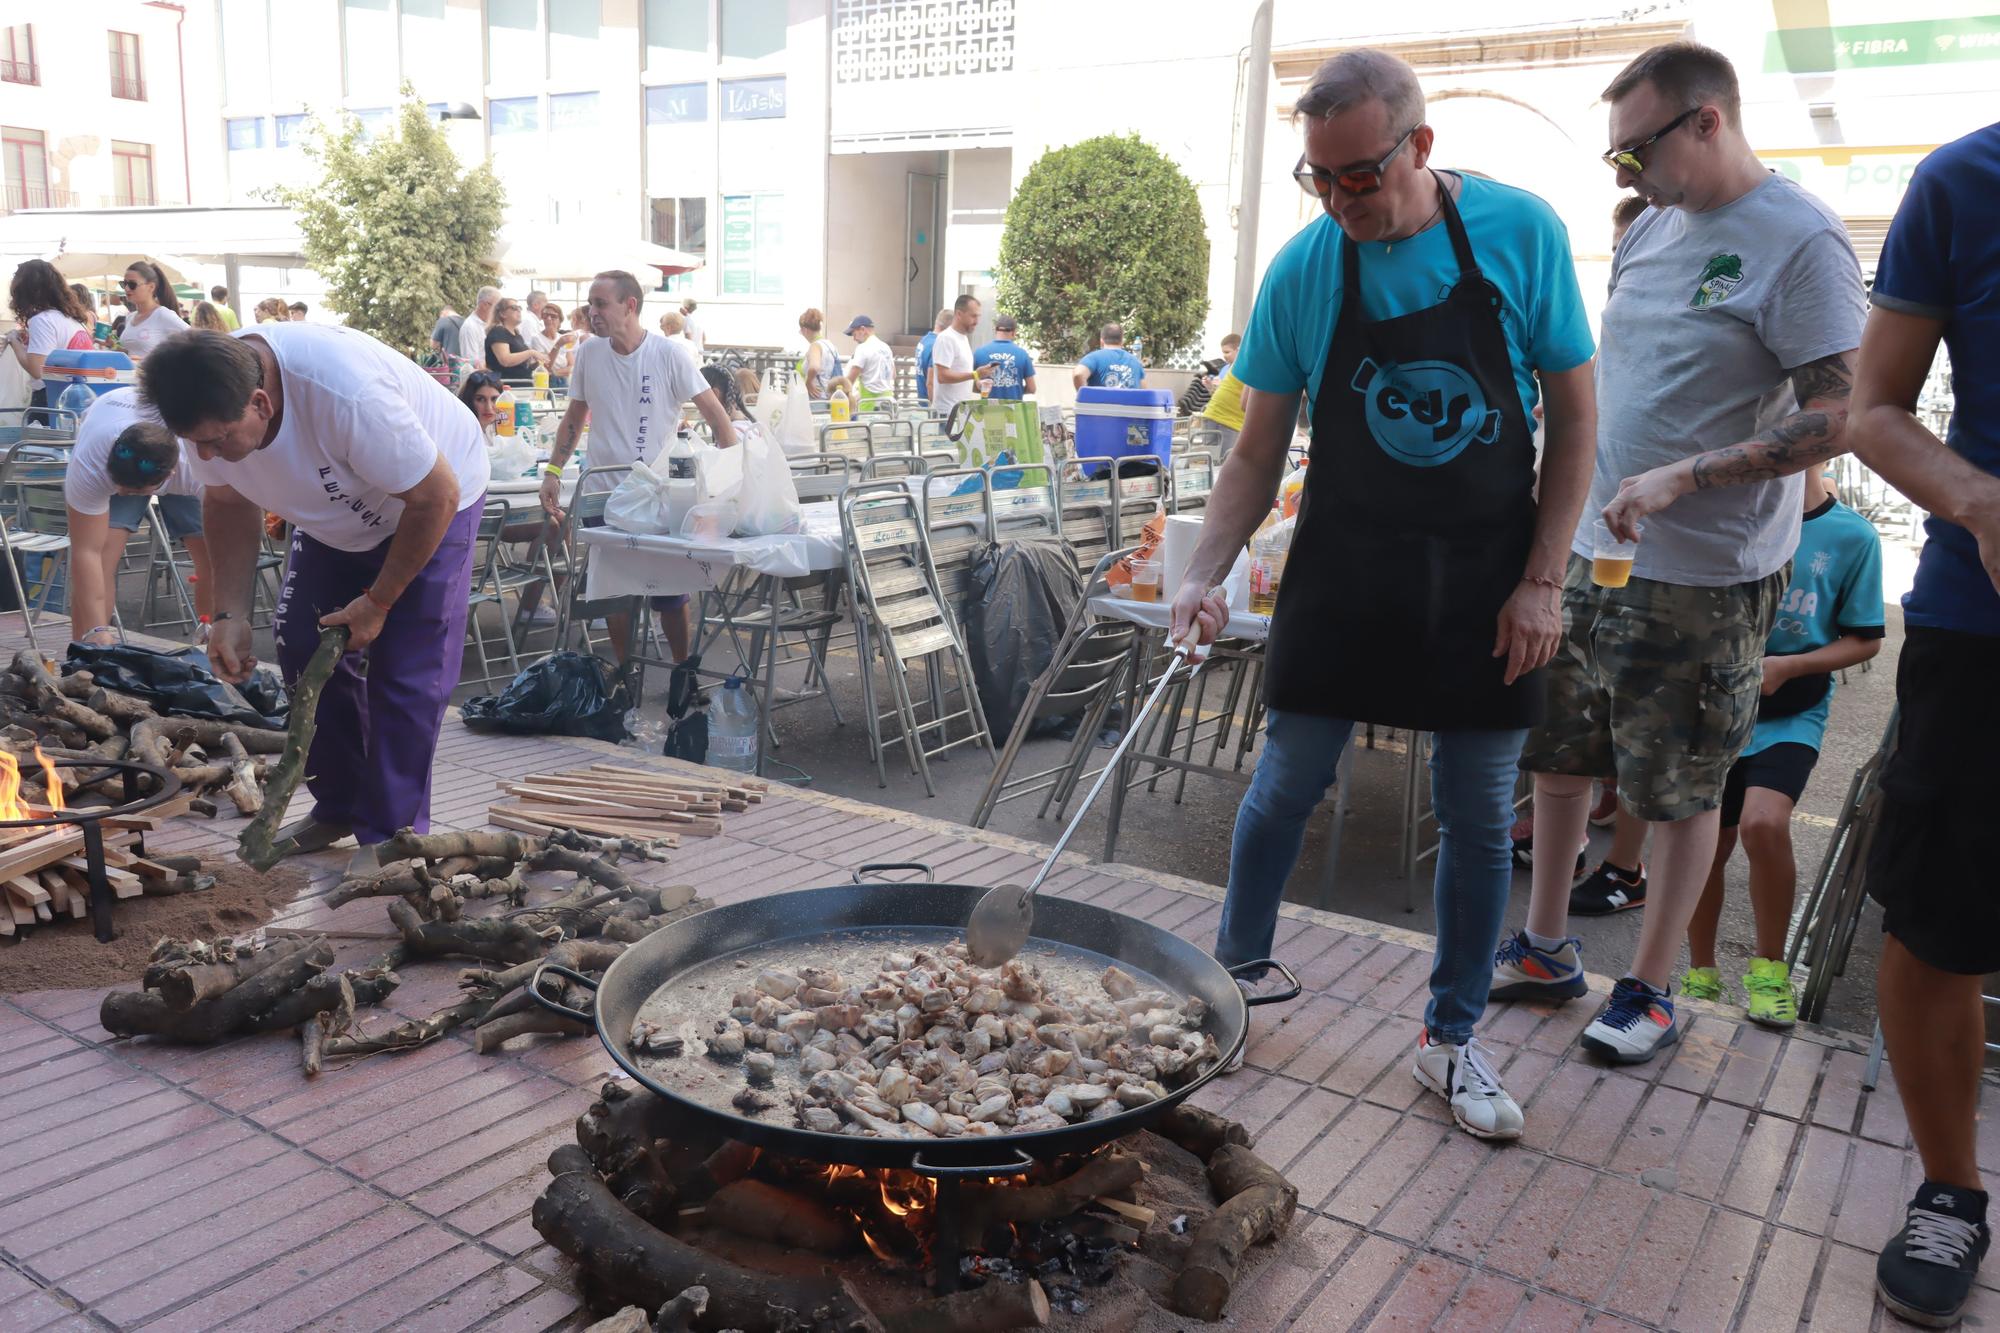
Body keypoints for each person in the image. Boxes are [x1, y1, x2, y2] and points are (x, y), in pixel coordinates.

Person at [1166, 48, 1597, 1140]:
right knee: (1283, 782)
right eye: (1319, 178)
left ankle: (1448, 1038)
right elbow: (1255, 454)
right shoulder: (1305, 266)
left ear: (1418, 146)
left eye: (1359, 174)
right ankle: (1232, 982)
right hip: (1346, 560)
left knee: (1470, 808)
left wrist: (1543, 579)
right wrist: (1201, 576)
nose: (1340, 199)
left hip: (1487, 569)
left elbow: (1576, 422)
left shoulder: (1520, 232)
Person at [1493, 41, 1866, 1066]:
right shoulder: (1651, 227)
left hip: (1705, 574)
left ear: (1706, 120)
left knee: (1678, 784)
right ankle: (1542, 947)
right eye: (1615, 158)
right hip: (1588, 552)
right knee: (1560, 759)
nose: (1624, 174)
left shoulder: (1800, 241)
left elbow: (1837, 418)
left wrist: (1685, 477)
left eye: (1635, 149)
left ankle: (1648, 989)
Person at [140, 324, 491, 877]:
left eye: (218, 440)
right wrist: (228, 613)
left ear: (261, 401)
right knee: (303, 646)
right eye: (195, 443)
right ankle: (341, 805)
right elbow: (228, 503)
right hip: (334, 519)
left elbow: (435, 494)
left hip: (431, 503)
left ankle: (393, 834)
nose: (206, 454)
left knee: (405, 670)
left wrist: (378, 602)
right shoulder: (210, 400)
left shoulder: (343, 395)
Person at [1844, 118, 2000, 1329]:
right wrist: (1973, 502)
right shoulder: (1961, 178)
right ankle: (1950, 1186)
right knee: (1938, 924)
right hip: (1978, 626)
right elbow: (1870, 407)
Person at [1682, 465, 1881, 1021]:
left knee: (1763, 823)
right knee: (1706, 843)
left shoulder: (1852, 536)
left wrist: (1791, 666)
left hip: (1791, 713)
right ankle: (1700, 973)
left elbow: (1865, 639)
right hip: (1713, 708)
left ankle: (1770, 972)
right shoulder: (1729, 519)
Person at [539, 270, 738, 666]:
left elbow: (718, 419)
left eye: (600, 304)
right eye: (589, 304)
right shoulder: (590, 353)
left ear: (630, 306)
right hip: (603, 492)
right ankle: (625, 671)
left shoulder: (669, 354)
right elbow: (575, 418)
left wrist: (732, 480)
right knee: (614, 589)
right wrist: (554, 471)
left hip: (657, 494)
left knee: (670, 592)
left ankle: (682, 669)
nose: (591, 312)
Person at [61, 387, 213, 644]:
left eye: (134, 491)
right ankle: (86, 652)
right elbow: (86, 553)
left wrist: (224, 624)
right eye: (121, 488)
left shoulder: (199, 465)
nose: (126, 494)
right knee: (101, 560)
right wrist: (96, 632)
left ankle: (212, 639)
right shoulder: (91, 463)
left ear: (170, 476)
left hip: (176, 457)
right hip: (112, 433)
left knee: (209, 557)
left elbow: (226, 555)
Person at [5, 259, 93, 406]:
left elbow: (37, 370)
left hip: (51, 398)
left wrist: (14, 341)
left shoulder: (42, 320)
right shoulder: (70, 318)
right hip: (78, 396)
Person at [115, 261, 188, 360]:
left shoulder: (163, 314)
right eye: (124, 284)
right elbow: (135, 351)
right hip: (132, 375)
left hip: (155, 375)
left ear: (151, 287)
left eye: (132, 284)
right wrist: (117, 349)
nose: (127, 288)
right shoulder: (130, 317)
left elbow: (197, 340)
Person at [930, 294, 990, 414]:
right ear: (959, 314)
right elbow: (942, 376)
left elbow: (959, 377)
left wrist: (977, 384)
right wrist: (975, 374)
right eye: (973, 316)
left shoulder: (963, 338)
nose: (977, 321)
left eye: (978, 316)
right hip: (947, 413)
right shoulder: (946, 338)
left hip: (961, 412)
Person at [484, 298, 546, 386]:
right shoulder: (498, 332)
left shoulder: (517, 334)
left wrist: (538, 363)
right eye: (514, 308)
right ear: (502, 313)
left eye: (519, 308)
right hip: (508, 386)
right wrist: (531, 353)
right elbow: (505, 360)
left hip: (523, 384)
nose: (518, 311)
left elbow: (522, 364)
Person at [974, 315, 1037, 401]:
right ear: (1014, 332)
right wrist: (1016, 390)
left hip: (987, 411)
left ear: (995, 330)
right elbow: (1032, 388)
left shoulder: (979, 353)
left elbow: (971, 385)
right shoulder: (1022, 354)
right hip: (1013, 411)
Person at [840, 315, 896, 407]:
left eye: (854, 334)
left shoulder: (862, 348)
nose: (854, 339)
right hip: (888, 401)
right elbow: (893, 374)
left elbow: (851, 378)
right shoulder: (886, 347)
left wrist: (841, 394)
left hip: (870, 405)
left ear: (862, 329)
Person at [1178, 334, 1240, 417]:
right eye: (1223, 352)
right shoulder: (1225, 369)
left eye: (1227, 352)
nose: (1224, 356)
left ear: (1238, 350)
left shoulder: (1244, 370)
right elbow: (1217, 394)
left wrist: (1221, 386)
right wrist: (1210, 386)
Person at [1072, 323, 1147, 390]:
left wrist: (1084, 398)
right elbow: (1144, 389)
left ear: (1101, 342)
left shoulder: (1093, 358)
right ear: (1122, 342)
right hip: (1130, 405)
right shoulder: (1135, 361)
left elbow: (1078, 374)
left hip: (1100, 405)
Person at [797, 308, 842, 399]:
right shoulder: (830, 346)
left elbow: (814, 367)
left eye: (801, 331)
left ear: (805, 330)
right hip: (829, 396)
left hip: (816, 397)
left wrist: (808, 382)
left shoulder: (815, 346)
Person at [458, 286, 499, 371]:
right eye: (497, 307)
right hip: (482, 380)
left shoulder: (490, 325)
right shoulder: (470, 327)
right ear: (485, 305)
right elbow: (471, 363)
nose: (499, 311)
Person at [914, 307, 949, 406]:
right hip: (930, 405)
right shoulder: (937, 344)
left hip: (921, 402)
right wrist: (934, 407)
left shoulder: (924, 340)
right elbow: (931, 383)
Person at [458, 370, 504, 442]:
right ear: (468, 400)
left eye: (494, 399)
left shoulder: (497, 429)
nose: (488, 407)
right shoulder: (463, 435)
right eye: (480, 399)